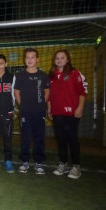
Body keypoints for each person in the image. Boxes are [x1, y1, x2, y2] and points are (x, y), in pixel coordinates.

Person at [48, 50, 87, 179]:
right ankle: (63, 164)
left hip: (71, 113)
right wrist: (50, 109)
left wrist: (80, 107)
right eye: (57, 58)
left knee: (72, 139)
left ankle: (76, 166)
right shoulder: (52, 76)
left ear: (67, 60)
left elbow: (82, 91)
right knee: (60, 139)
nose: (59, 60)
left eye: (62, 57)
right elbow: (50, 96)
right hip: (57, 113)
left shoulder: (75, 73)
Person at [14, 48, 50, 174]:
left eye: (32, 57)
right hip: (25, 111)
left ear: (37, 59)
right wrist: (22, 105)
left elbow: (47, 92)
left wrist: (40, 104)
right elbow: (16, 92)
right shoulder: (20, 75)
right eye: (27, 57)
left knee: (39, 137)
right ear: (24, 60)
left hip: (40, 111)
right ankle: (24, 161)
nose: (29, 60)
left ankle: (38, 162)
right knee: (26, 137)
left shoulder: (43, 75)